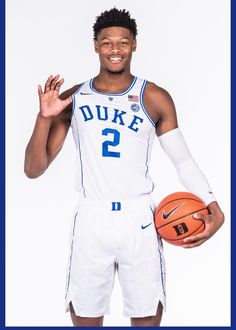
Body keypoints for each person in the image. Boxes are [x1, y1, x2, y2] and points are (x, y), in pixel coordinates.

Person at [24, 8, 224, 327]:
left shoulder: (155, 97)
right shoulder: (73, 98)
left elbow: (182, 160)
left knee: (146, 320)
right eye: (107, 43)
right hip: (93, 217)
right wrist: (43, 118)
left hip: (140, 220)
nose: (115, 49)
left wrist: (215, 208)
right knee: (86, 320)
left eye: (122, 42)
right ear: (95, 46)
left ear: (134, 45)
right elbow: (33, 169)